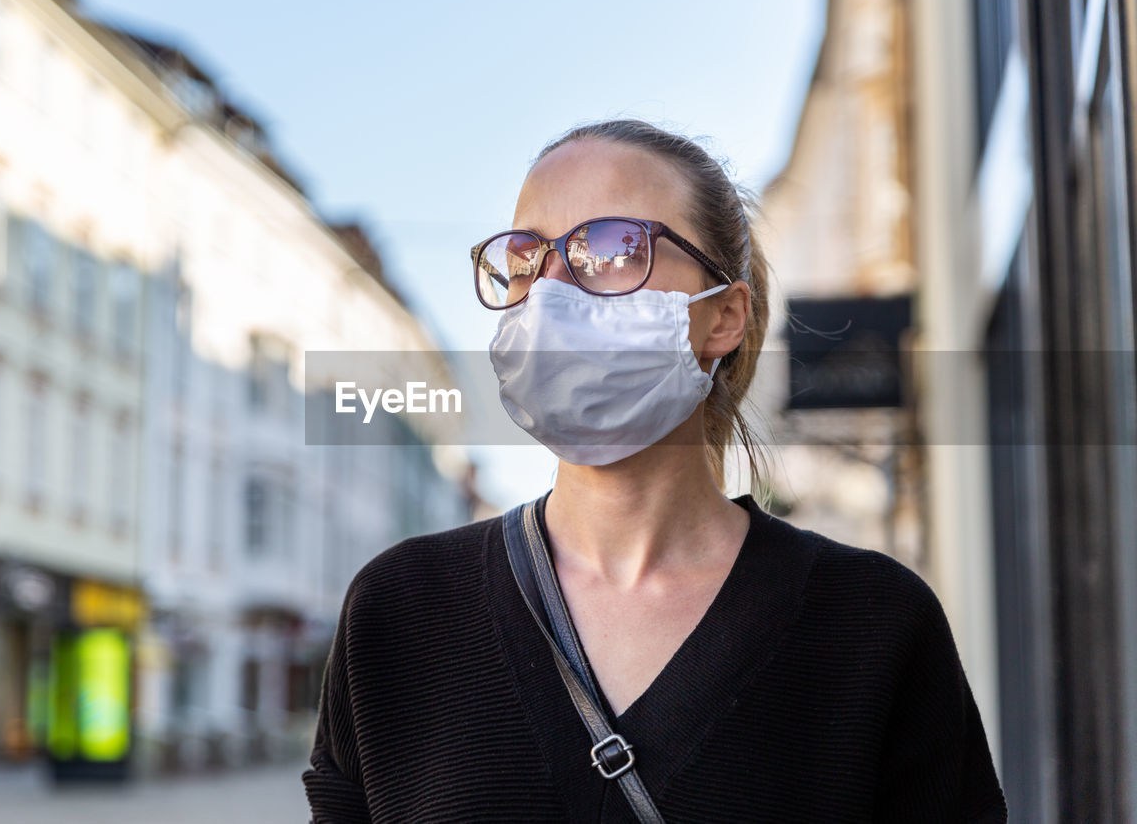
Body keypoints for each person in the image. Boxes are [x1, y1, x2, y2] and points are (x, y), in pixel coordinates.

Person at [302, 119, 1008, 822]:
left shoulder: (872, 625)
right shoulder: (399, 613)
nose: (549, 291)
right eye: (523, 257)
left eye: (609, 248)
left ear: (724, 316)